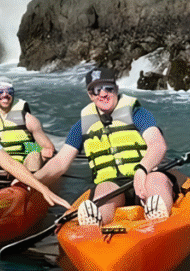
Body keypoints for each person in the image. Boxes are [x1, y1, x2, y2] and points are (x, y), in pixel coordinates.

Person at [34, 67, 172, 226]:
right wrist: (31, 181)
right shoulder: (81, 126)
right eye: (96, 90)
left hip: (145, 175)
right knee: (105, 189)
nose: (103, 94)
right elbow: (59, 163)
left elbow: (157, 145)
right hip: (112, 185)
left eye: (108, 88)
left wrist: (142, 170)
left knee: (156, 179)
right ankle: (96, 220)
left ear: (116, 89)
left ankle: (158, 214)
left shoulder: (138, 113)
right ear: (90, 95)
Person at [0, 77, 55, 172]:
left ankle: (27, 180)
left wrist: (32, 149)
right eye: (0, 92)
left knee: (35, 155)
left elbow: (48, 149)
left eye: (9, 91)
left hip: (25, 166)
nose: (5, 95)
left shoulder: (28, 119)